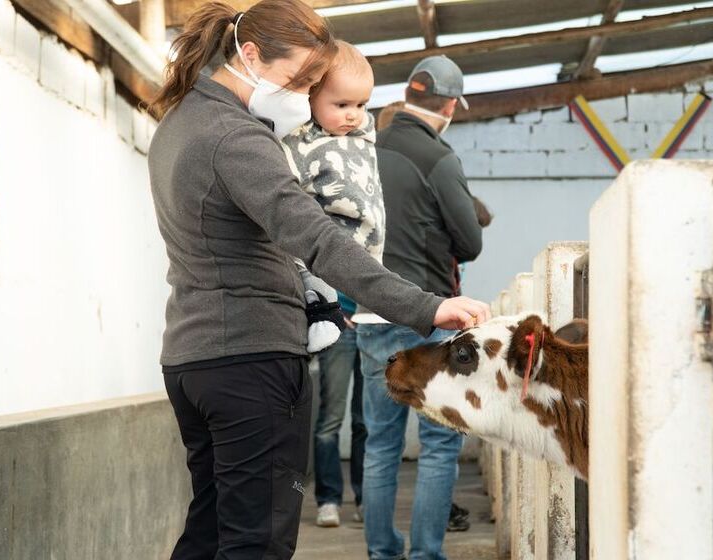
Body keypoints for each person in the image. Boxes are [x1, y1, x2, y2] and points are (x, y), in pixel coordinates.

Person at [146, 1, 491, 558]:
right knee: (256, 541)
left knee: (210, 531)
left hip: (193, 359)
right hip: (249, 358)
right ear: (250, 55)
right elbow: (320, 240)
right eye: (298, 81)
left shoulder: (179, 123)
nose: (304, 97)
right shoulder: (237, 139)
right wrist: (425, 308)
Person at [358, 56, 483, 560]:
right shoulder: (440, 159)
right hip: (433, 317)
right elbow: (470, 242)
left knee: (380, 444)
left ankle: (381, 552)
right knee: (439, 445)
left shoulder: (362, 148)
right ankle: (426, 553)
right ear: (449, 105)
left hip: (371, 314)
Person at [279, 41, 380, 527]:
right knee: (332, 414)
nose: (354, 115)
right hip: (333, 290)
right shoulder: (296, 143)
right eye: (341, 105)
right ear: (312, 98)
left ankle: (363, 497)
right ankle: (328, 499)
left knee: (366, 416)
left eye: (361, 105)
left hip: (369, 294)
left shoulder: (365, 140)